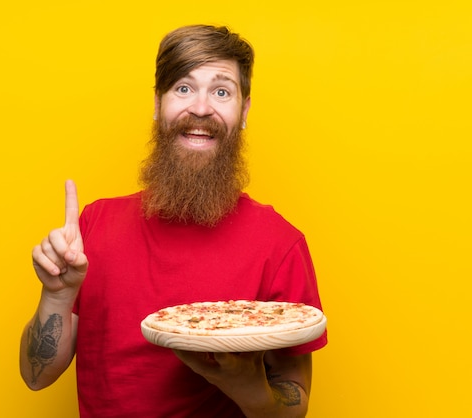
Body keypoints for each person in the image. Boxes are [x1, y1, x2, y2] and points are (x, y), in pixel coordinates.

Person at [20, 24, 327, 418]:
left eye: (221, 91)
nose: (200, 108)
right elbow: (35, 376)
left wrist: (251, 391)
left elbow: (294, 406)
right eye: (183, 88)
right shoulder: (94, 224)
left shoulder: (280, 244)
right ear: (157, 103)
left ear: (244, 110)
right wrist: (57, 296)